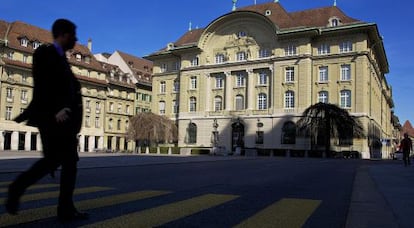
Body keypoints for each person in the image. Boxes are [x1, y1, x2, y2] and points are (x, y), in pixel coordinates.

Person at [5, 19, 88, 222]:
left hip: (64, 122)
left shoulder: (62, 60)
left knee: (65, 163)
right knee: (57, 162)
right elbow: (43, 84)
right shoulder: (45, 53)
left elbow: (68, 93)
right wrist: (56, 110)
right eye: (73, 35)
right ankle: (18, 188)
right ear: (63, 34)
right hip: (52, 118)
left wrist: (73, 127)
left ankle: (65, 208)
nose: (75, 40)